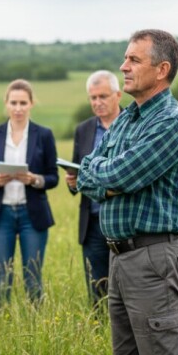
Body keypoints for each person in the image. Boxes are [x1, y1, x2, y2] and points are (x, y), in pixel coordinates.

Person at [77, 29, 178, 355]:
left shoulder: (172, 122)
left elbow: (119, 175)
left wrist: (106, 176)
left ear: (161, 70)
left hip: (154, 259)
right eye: (125, 58)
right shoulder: (128, 118)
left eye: (133, 60)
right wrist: (105, 175)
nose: (123, 67)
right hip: (120, 258)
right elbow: (87, 174)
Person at [0, 79, 58, 305]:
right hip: (1, 214)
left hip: (32, 215)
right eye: (13, 102)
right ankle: (0, 322)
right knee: (1, 279)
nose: (18, 108)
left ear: (32, 103)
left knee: (33, 278)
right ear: (6, 103)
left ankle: (35, 320)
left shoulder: (44, 135)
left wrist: (34, 179)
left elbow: (53, 177)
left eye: (23, 103)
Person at [66, 70, 123, 311]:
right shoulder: (84, 129)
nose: (97, 102)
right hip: (92, 222)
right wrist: (72, 183)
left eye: (103, 96)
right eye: (93, 97)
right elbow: (76, 168)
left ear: (118, 95)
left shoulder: (133, 124)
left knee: (127, 286)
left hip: (123, 219)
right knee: (97, 289)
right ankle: (99, 327)